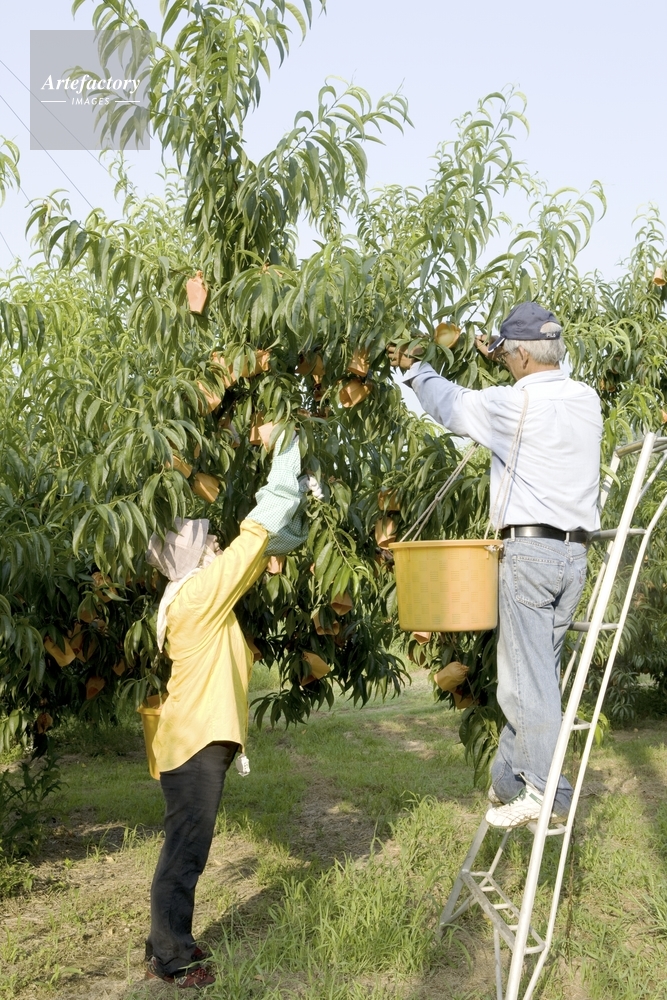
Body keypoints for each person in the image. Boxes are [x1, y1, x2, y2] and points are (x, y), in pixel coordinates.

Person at [388, 302, 602, 829]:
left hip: (529, 556)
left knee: (522, 680)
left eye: (509, 355)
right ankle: (509, 778)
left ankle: (544, 790)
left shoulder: (514, 405)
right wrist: (504, 356)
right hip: (574, 558)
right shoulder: (586, 399)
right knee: (538, 676)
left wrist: (417, 369)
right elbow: (537, 386)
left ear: (522, 356)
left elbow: (451, 405)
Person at [143, 434, 311, 988]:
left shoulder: (194, 596)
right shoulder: (197, 597)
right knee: (186, 850)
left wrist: (301, 497)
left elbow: (263, 548)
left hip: (191, 742)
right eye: (205, 541)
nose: (214, 542)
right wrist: (287, 446)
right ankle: (171, 957)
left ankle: (166, 940)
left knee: (185, 845)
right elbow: (255, 534)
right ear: (192, 559)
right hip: (194, 744)